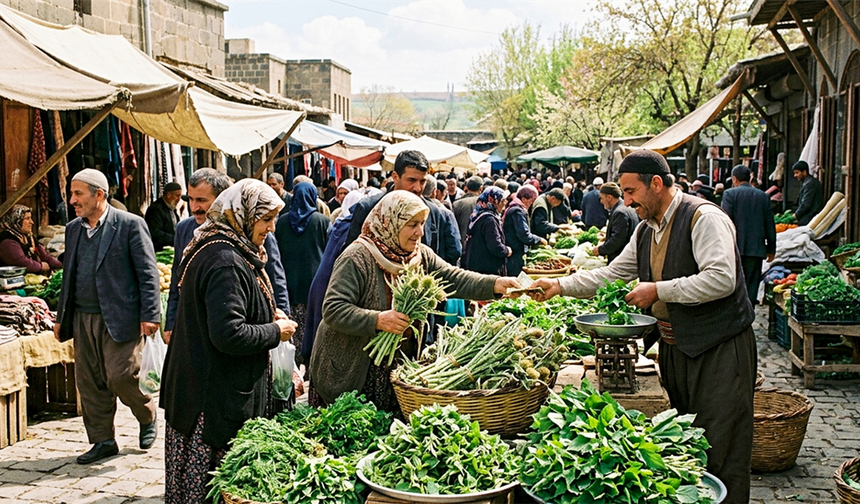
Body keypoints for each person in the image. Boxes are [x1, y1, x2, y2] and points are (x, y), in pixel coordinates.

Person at [531, 150, 756, 504]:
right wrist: (560, 286)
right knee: (687, 443)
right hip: (675, 347)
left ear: (656, 183)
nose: (627, 200)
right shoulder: (645, 229)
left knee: (722, 446)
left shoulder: (704, 217)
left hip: (719, 348)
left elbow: (722, 279)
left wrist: (658, 290)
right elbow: (612, 274)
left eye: (631, 191)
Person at [307, 191, 519, 412]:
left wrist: (496, 284)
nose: (420, 232)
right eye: (412, 225)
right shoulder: (357, 257)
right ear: (390, 222)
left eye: (421, 224)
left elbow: (454, 278)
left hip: (392, 368)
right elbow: (333, 309)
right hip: (352, 365)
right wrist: (377, 320)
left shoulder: (418, 255)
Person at [160, 179, 297, 504]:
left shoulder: (226, 249)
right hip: (209, 402)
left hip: (205, 389)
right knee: (209, 491)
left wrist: (266, 312)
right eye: (266, 219)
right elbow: (229, 333)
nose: (271, 228)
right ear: (243, 215)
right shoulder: (225, 262)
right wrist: (276, 332)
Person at [54, 169, 161, 464]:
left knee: (121, 375)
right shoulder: (74, 228)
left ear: (99, 195)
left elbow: (147, 273)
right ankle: (103, 440)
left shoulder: (129, 225)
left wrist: (150, 314)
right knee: (89, 382)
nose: (72, 200)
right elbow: (69, 275)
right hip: (82, 316)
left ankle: (146, 412)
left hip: (120, 315)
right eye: (71, 193)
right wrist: (62, 317)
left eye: (78, 194)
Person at [162, 169, 290, 344]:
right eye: (190, 199)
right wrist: (171, 322)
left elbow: (273, 277)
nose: (194, 208)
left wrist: (280, 315)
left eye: (201, 200)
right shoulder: (223, 257)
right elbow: (228, 332)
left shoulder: (253, 235)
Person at [275, 182, 330, 366]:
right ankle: (311, 362)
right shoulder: (322, 221)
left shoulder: (282, 222)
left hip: (289, 282)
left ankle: (295, 364)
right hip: (315, 284)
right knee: (312, 325)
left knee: (293, 327)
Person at [721, 165, 776, 303]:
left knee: (735, 285)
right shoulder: (763, 196)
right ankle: (749, 315)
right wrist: (771, 249)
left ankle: (736, 316)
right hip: (756, 250)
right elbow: (769, 224)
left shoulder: (729, 194)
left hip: (734, 249)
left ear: (734, 179)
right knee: (752, 286)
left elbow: (725, 222)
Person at [462, 187, 511, 276]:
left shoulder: (477, 214)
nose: (505, 203)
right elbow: (495, 246)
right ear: (494, 201)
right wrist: (507, 250)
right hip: (487, 269)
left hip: (476, 265)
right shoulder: (489, 220)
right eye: (503, 200)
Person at [0, 205, 62, 273]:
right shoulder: (7, 241)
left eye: (31, 218)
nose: (32, 222)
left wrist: (63, 265)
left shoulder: (29, 237)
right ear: (16, 220)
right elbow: (21, 263)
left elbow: (45, 256)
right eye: (27, 218)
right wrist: (41, 266)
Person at [503, 185, 546, 276]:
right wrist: (539, 240)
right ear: (524, 199)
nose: (531, 204)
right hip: (514, 251)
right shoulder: (517, 211)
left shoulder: (516, 207)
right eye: (531, 201)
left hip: (514, 249)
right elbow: (523, 234)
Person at [593, 182, 639, 264]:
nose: (601, 201)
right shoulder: (626, 208)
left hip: (622, 260)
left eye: (602, 198)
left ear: (609, 197)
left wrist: (600, 250)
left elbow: (617, 240)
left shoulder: (620, 212)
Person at [144, 181, 182, 252]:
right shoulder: (155, 209)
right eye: (177, 196)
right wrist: (175, 239)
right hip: (159, 252)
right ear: (168, 195)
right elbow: (155, 233)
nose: (179, 199)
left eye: (180, 196)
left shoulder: (172, 209)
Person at [452, 176, 484, 244]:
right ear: (480, 188)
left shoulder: (457, 204)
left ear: (466, 187)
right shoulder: (486, 204)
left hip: (461, 243)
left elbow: (452, 227)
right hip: (480, 245)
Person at [792, 161, 824, 226]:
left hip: (810, 218)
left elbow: (806, 204)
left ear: (804, 172)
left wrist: (796, 215)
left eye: (797, 173)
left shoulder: (810, 184)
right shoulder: (807, 182)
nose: (795, 175)